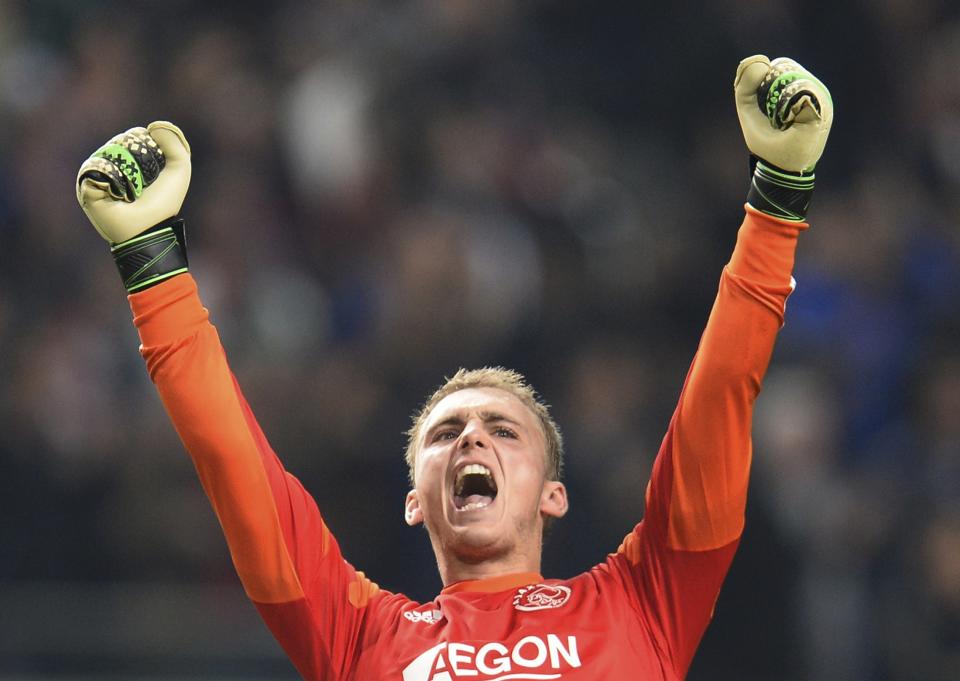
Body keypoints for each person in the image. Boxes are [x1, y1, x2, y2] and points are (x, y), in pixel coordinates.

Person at [75, 55, 832, 680]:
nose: (470, 439)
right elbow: (236, 466)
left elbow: (716, 408)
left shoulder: (639, 601)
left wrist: (776, 203)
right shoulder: (361, 633)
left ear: (553, 494)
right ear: (415, 501)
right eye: (444, 435)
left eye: (502, 429)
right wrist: (153, 267)